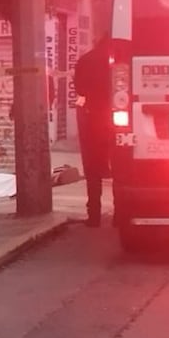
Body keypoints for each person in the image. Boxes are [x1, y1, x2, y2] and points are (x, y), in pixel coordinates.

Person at [73, 32, 113, 227]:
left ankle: (94, 215)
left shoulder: (86, 60)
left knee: (93, 169)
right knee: (119, 169)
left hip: (92, 118)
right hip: (116, 119)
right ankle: (120, 215)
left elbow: (79, 89)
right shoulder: (120, 61)